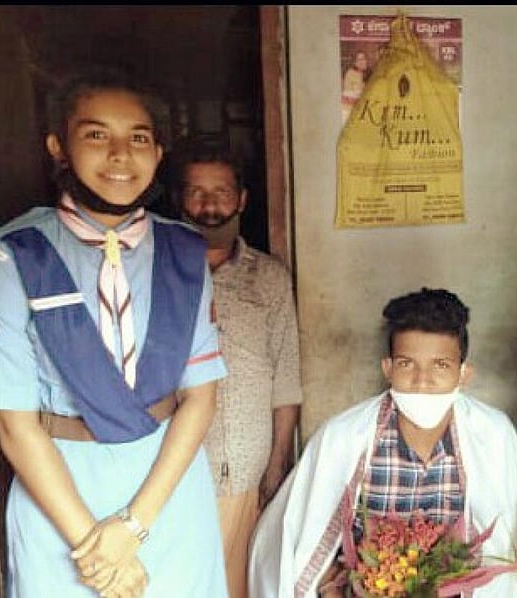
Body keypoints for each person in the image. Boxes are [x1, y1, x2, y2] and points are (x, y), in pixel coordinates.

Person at [0, 67, 228, 597]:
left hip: (168, 490)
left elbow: (200, 400)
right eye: (96, 135)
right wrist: (95, 545)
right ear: (58, 148)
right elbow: (14, 427)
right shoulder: (12, 255)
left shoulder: (184, 252)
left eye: (138, 138)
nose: (119, 154)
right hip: (61, 498)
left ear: (158, 154)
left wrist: (133, 527)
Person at [248, 288, 517, 597]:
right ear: (388, 368)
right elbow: (302, 545)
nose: (423, 380)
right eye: (407, 364)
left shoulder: (494, 436)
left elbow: (506, 547)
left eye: (440, 366)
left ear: (464, 373)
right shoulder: (343, 438)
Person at [169, 136, 303, 598]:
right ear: (179, 199)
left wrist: (278, 464)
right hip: (170, 468)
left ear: (242, 198)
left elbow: (285, 378)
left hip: (245, 469)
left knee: (240, 585)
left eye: (222, 192)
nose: (210, 205)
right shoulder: (154, 272)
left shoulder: (269, 277)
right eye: (197, 192)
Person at [341, 50, 371, 123]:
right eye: (360, 59)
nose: (363, 61)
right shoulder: (350, 74)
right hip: (349, 112)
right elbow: (346, 96)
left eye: (364, 59)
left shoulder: (366, 74)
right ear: (354, 62)